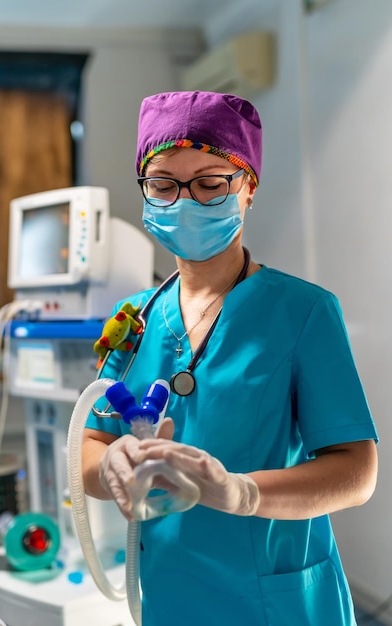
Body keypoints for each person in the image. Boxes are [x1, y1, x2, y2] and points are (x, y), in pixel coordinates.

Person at [83, 91, 378, 625]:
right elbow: (90, 443)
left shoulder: (303, 311)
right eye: (164, 184)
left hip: (277, 603)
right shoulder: (132, 321)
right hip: (170, 598)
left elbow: (357, 473)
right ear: (147, 194)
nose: (186, 201)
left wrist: (241, 493)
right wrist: (110, 468)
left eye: (211, 183)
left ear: (247, 190)